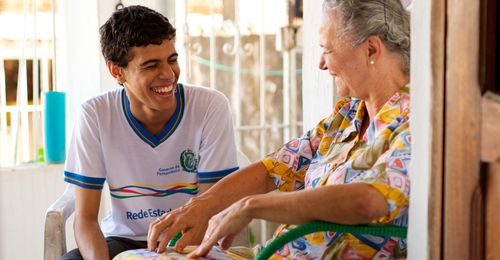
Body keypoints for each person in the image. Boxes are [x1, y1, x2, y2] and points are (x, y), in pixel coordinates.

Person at [146, 0, 411, 259]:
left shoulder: (412, 122)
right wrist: (200, 207)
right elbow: (276, 167)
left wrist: (251, 207)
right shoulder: (348, 115)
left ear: (371, 50)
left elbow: (369, 200)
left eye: (327, 50)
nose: (321, 63)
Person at [61, 5, 239, 260]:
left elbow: (209, 210)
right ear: (116, 71)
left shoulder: (210, 106)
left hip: (187, 241)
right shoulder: (95, 114)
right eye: (151, 65)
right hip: (123, 242)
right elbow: (86, 219)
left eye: (172, 60)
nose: (168, 74)